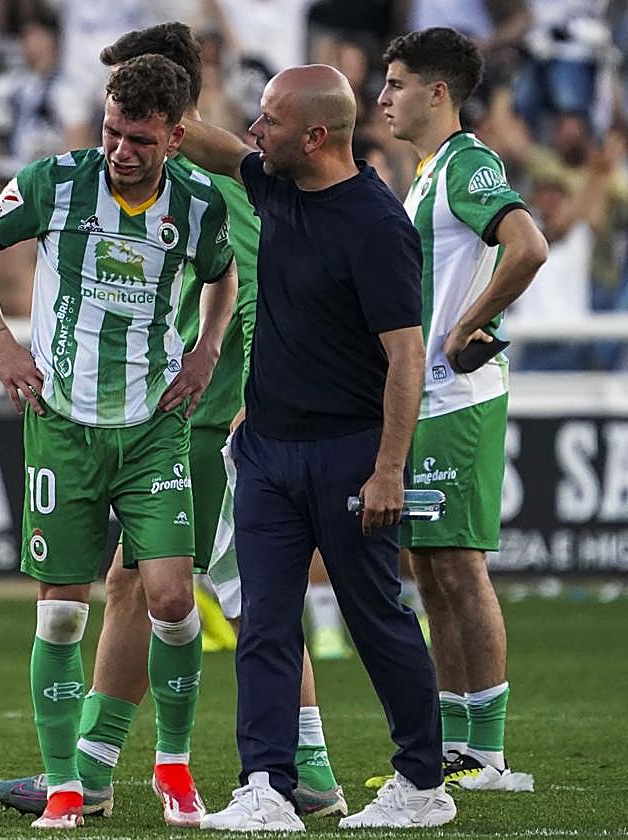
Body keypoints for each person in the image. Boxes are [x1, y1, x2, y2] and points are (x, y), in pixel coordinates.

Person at [0, 22, 347, 824]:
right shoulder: (221, 178)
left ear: (175, 120)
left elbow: (249, 289)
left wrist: (233, 375)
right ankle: (97, 767)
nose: (114, 138)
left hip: (208, 416)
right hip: (185, 413)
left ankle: (301, 765)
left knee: (229, 588)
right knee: (149, 586)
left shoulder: (218, 187)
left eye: (134, 120)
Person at [0, 53, 237, 829]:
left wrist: (208, 347)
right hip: (65, 428)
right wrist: (0, 343)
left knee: (173, 598)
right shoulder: (54, 182)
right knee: (62, 614)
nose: (121, 150)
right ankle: (66, 785)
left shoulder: (205, 205)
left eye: (140, 139)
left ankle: (173, 770)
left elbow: (224, 276)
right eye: (113, 130)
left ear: (176, 137)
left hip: (152, 429)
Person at [179, 64, 455, 831]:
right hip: (266, 449)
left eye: (269, 120)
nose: (254, 132)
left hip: (349, 453)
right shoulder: (275, 182)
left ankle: (423, 785)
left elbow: (406, 355)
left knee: (375, 620)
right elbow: (215, 145)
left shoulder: (375, 225)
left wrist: (389, 468)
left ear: (315, 135)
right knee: (263, 622)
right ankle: (266, 786)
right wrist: (151, 106)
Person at [373, 26, 547, 793]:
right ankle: (459, 745)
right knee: (432, 571)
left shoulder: (467, 165)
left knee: (460, 567)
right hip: (427, 396)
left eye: (398, 82)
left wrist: (466, 323)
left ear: (437, 92)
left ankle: (492, 753)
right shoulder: (427, 174)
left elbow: (529, 246)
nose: (384, 95)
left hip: (458, 397)